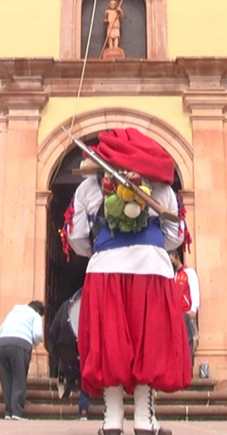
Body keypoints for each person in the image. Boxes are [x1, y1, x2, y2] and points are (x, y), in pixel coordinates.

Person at [63, 127, 191, 435]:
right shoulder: (162, 188)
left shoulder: (87, 188)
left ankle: (112, 420)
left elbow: (77, 236)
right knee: (150, 344)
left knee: (111, 344)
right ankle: (145, 421)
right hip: (152, 271)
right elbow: (175, 236)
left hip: (105, 270)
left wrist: (100, 249)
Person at [0, 300, 44, 420]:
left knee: (6, 379)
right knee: (19, 378)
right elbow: (38, 334)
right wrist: (33, 343)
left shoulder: (13, 312)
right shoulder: (35, 315)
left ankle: (8, 412)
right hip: (20, 344)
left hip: (1, 343)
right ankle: (17, 412)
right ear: (39, 311)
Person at [47, 289, 91, 420]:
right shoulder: (96, 304)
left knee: (80, 373)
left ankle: (72, 387)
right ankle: (84, 409)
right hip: (84, 347)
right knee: (85, 375)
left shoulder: (67, 306)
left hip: (69, 348)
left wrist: (55, 356)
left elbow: (53, 331)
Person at [169, 248, 197, 363]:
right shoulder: (172, 275)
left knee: (187, 341)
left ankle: (187, 367)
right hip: (174, 313)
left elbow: (194, 290)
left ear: (177, 258)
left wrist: (194, 308)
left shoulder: (189, 272)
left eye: (172, 261)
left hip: (186, 312)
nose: (171, 264)